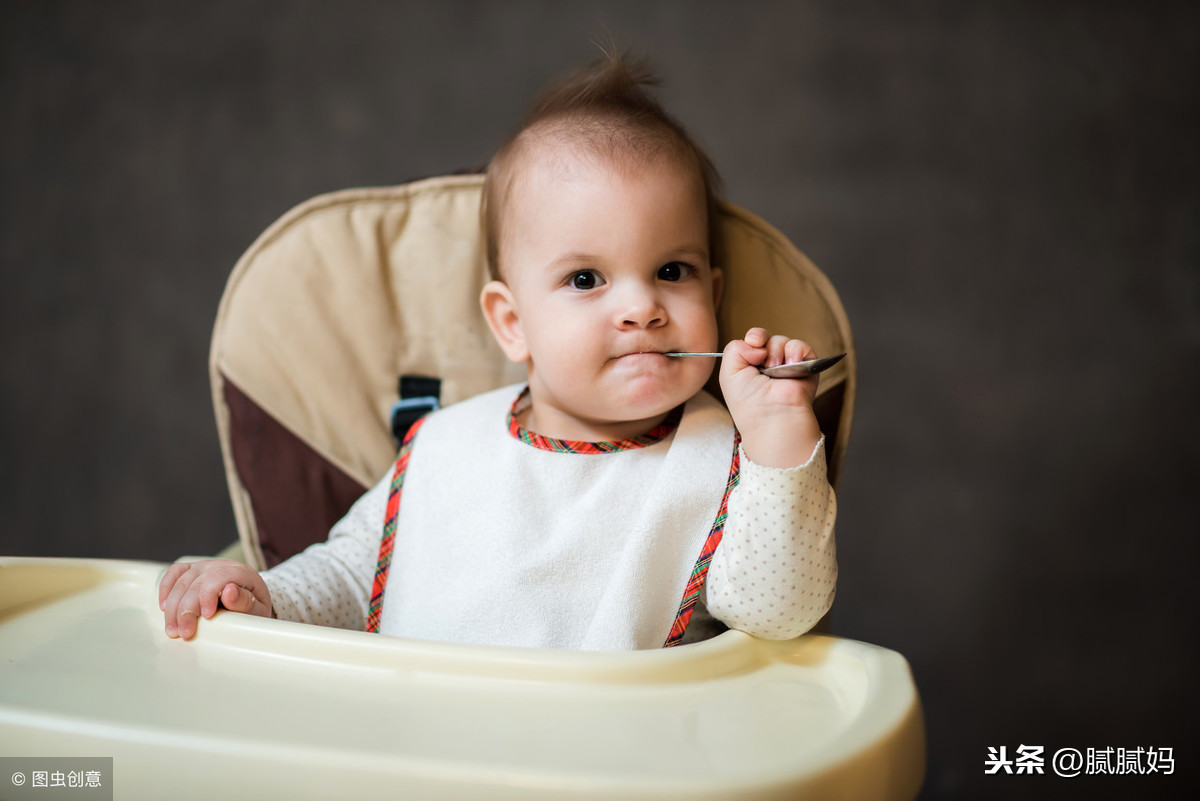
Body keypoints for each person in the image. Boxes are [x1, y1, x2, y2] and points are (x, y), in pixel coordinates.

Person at [159, 52, 837, 650]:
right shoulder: (445, 447)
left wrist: (777, 432)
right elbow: (347, 576)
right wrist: (262, 595)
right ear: (511, 322)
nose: (641, 307)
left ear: (713, 297)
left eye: (672, 271)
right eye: (585, 279)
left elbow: (780, 613)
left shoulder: (726, 460)